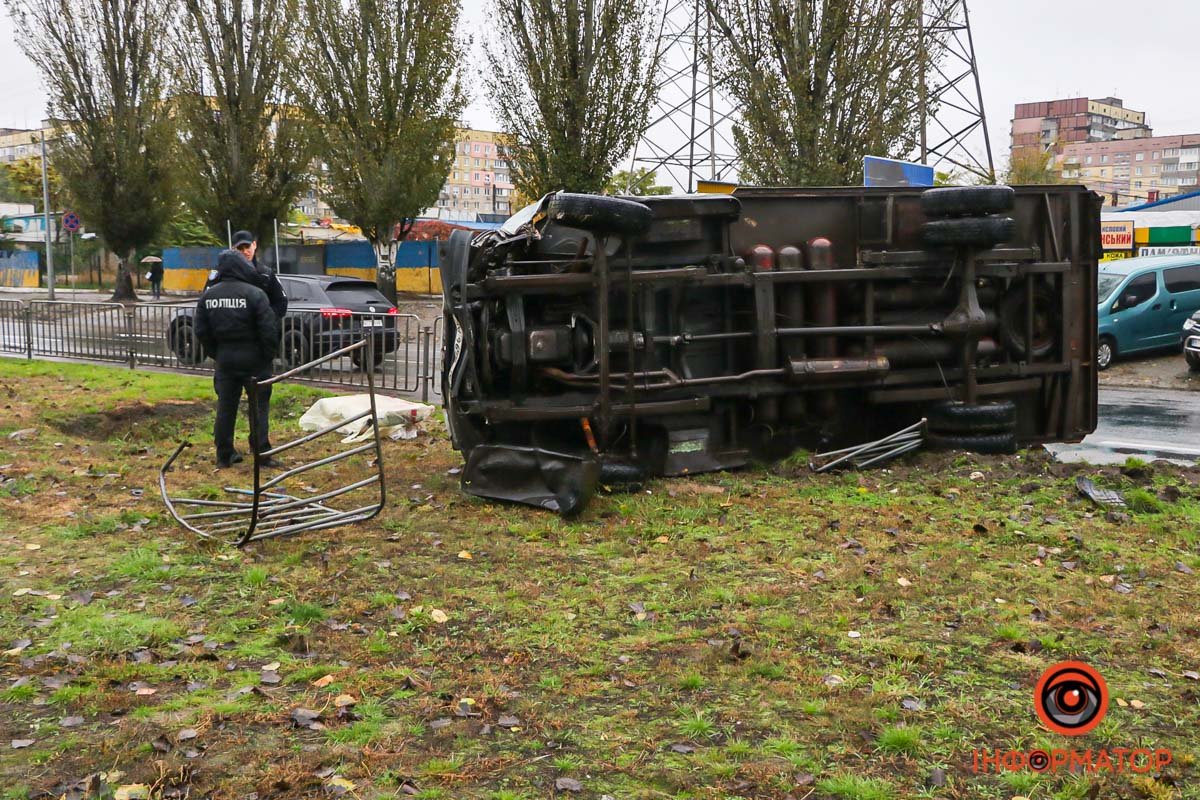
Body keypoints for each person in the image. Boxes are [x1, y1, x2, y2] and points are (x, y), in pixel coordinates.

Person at [194, 232, 284, 468]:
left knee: (226, 406)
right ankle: (261, 451)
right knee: (259, 407)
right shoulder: (255, 294)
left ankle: (224, 454)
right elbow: (268, 330)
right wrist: (266, 356)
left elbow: (201, 330)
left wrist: (216, 353)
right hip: (254, 358)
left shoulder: (209, 295)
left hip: (225, 358)